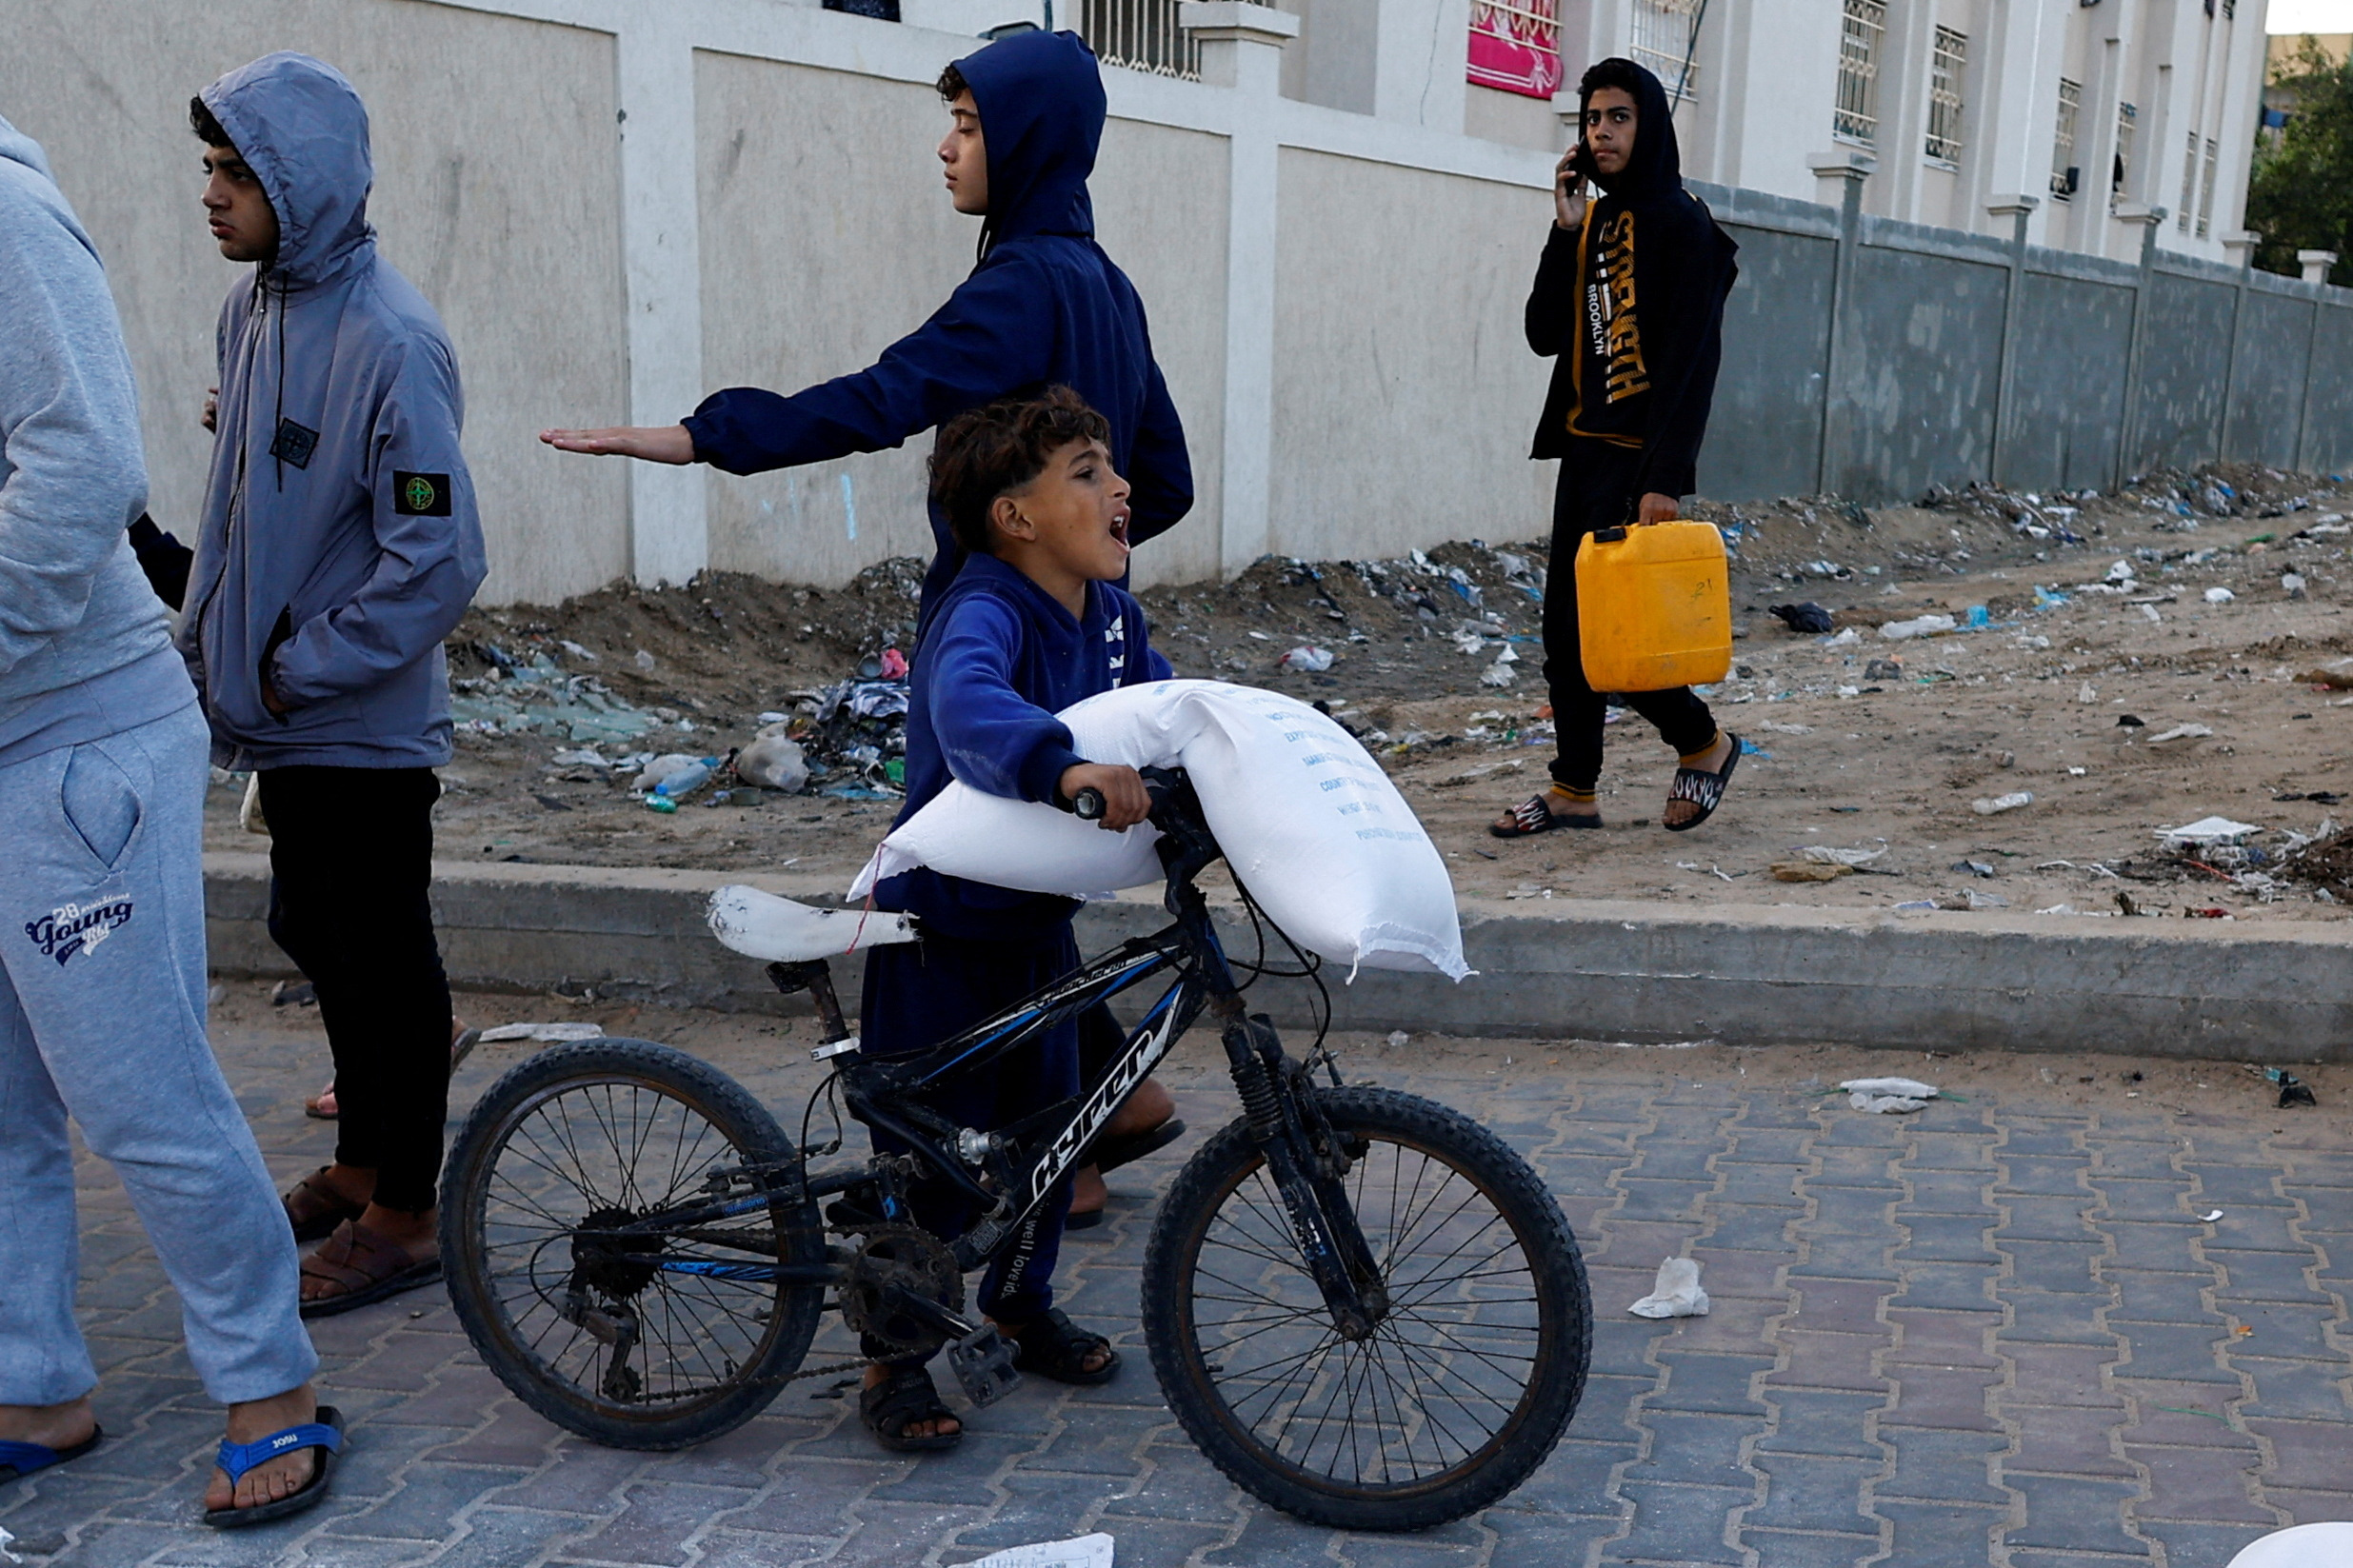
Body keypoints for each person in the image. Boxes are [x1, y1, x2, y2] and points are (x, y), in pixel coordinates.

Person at [539, 26, 1183, 1215]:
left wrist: (698, 436)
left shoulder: (1022, 282)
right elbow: (1169, 480)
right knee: (1024, 882)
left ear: (1027, 139)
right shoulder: (1107, 286)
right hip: (1082, 640)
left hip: (989, 633)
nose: (945, 150)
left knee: (931, 895)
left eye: (970, 125)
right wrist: (1089, 544)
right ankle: (1087, 1121)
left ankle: (955, 1161)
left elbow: (883, 399)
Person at [0, 109, 340, 1527]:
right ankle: (35, 1381)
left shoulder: (7, 218)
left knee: (141, 1094)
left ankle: (271, 1386)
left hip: (75, 731)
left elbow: (86, 462)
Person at [179, 53, 488, 1316]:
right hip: (279, 724)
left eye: (236, 171)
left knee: (381, 963)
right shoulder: (255, 312)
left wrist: (292, 666)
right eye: (206, 166)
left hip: (351, 724)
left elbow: (439, 557)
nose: (210, 192)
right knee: (313, 932)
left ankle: (408, 1213)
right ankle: (363, 1162)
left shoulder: (391, 339)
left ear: (300, 185)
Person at [852, 386, 1170, 1453]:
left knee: (1048, 1138)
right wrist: (1066, 767)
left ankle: (1018, 1304)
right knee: (929, 1167)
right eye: (1085, 472)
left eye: (1109, 468)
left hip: (1036, 929)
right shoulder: (981, 609)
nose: (1119, 487)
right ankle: (891, 1358)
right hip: (934, 934)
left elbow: (1168, 715)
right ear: (1014, 516)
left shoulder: (1116, 621)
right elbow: (971, 710)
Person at [1493, 57, 1744, 840]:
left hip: (1639, 463)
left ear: (1650, 125)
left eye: (1617, 118)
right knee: (1564, 633)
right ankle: (1574, 789)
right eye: (1591, 120)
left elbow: (1691, 364)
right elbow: (1541, 335)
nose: (1600, 133)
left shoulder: (1682, 224)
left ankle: (1703, 743)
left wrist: (1664, 477)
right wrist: (1563, 230)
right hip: (1582, 453)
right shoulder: (1593, 223)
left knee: (1624, 639)